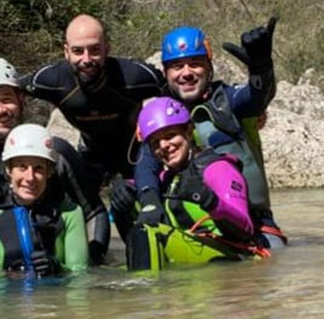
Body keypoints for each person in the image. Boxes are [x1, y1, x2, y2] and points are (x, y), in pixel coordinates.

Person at [0, 56, 109, 281]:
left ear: (21, 99)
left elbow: (94, 212)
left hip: (57, 276)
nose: (0, 110)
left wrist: (90, 266)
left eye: (7, 99)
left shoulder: (58, 152)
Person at [119, 20, 287, 248]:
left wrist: (261, 68)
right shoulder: (158, 116)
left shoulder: (229, 100)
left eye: (195, 64)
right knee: (124, 195)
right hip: (194, 222)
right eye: (177, 66)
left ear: (208, 68)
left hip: (254, 225)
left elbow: (257, 97)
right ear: (166, 73)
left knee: (274, 258)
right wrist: (148, 200)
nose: (186, 73)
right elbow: (146, 164)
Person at [19, 14, 164, 237]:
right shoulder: (53, 80)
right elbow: (6, 90)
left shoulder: (133, 75)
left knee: (127, 205)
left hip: (133, 153)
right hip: (91, 153)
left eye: (95, 50)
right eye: (78, 51)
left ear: (107, 48)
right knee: (73, 204)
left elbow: (177, 90)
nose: (87, 59)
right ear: (66, 51)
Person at [126, 97, 267, 271]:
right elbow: (140, 187)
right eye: (156, 143)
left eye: (170, 136)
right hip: (194, 256)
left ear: (188, 131)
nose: (164, 146)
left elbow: (245, 227)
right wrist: (124, 189)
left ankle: (148, 292)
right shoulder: (169, 177)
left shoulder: (217, 169)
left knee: (145, 233)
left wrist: (211, 201)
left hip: (230, 257)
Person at [0, 124, 89, 276]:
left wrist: (57, 268)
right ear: (8, 170)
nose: (30, 178)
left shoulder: (71, 214)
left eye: (38, 169)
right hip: (6, 298)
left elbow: (81, 277)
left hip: (53, 297)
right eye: (22, 167)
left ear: (49, 172)